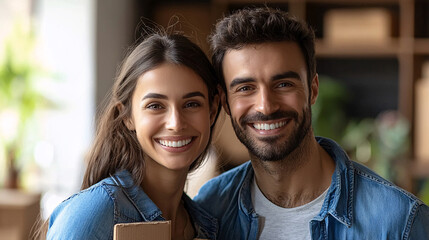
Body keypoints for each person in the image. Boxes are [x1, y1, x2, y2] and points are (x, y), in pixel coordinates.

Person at [194, 7, 429, 239]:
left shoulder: (399, 221)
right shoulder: (211, 208)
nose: (265, 106)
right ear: (225, 101)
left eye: (283, 84)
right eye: (245, 88)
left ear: (312, 90)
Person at [45, 31, 220, 240]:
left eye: (191, 104)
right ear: (127, 116)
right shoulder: (92, 216)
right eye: (155, 106)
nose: (175, 123)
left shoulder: (205, 224)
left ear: (212, 110)